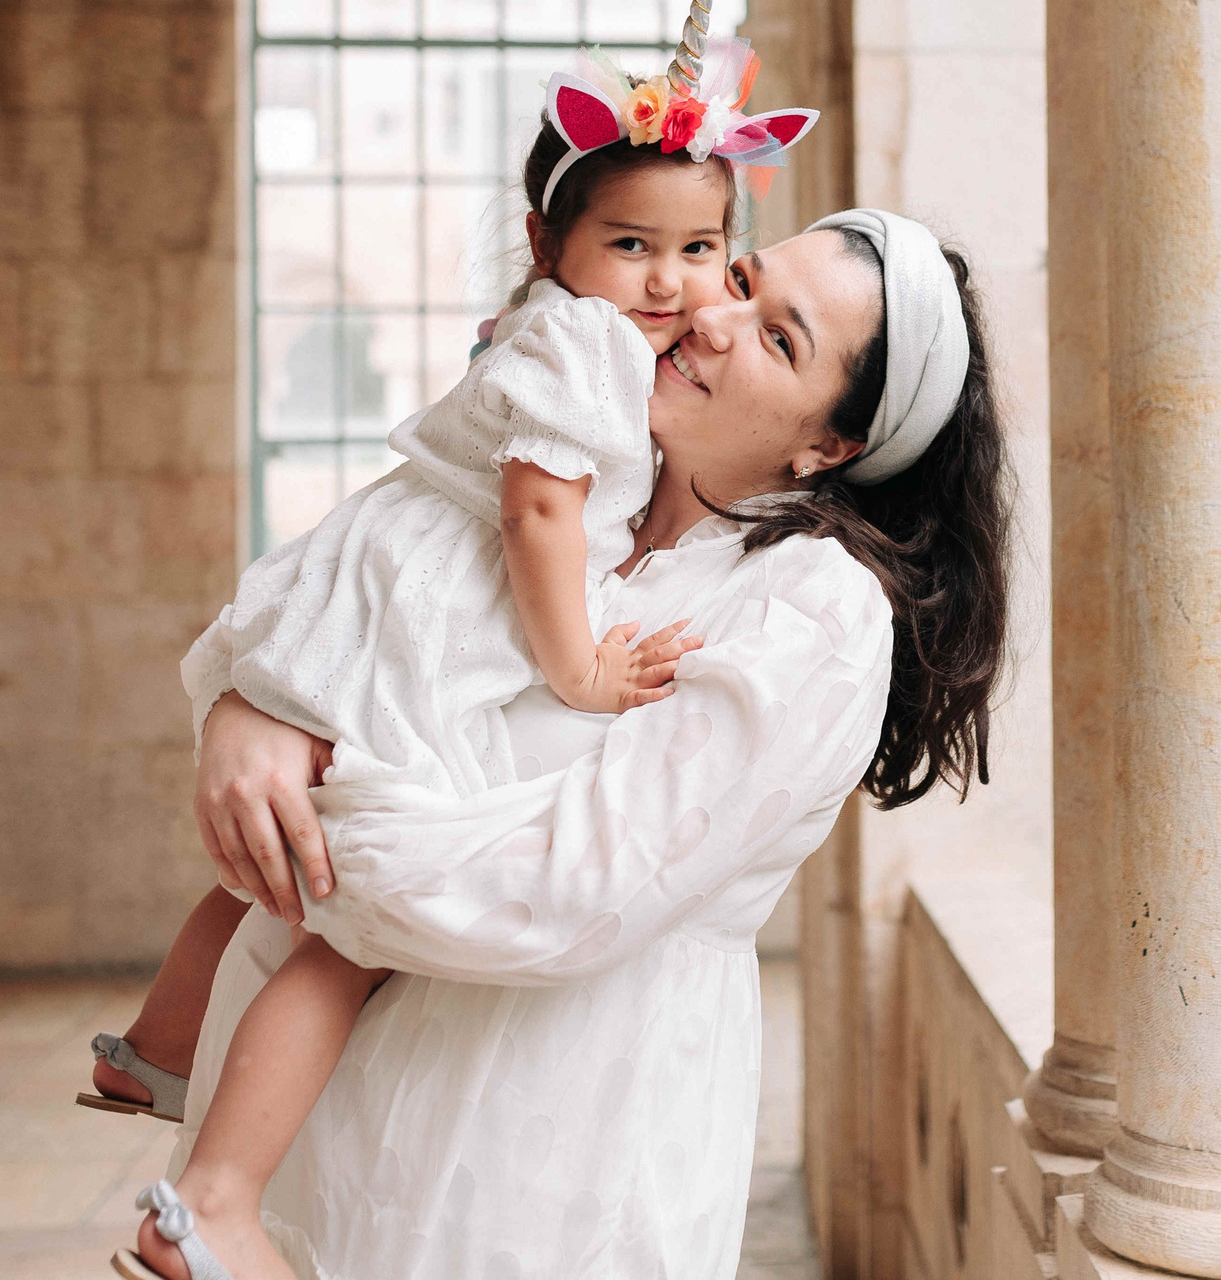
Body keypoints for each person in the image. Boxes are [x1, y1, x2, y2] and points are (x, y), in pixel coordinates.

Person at [121, 208, 1010, 1280]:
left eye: (781, 338)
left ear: (829, 444)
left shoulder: (813, 608)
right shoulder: (569, 488)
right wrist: (252, 714)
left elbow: (569, 888)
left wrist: (310, 814)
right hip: (319, 1119)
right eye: (739, 278)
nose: (713, 319)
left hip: (539, 1139)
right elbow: (360, 594)